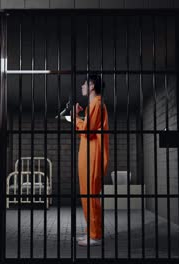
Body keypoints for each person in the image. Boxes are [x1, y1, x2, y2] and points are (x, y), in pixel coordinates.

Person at [74, 75, 109, 247]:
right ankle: (92, 231)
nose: (82, 86)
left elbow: (88, 131)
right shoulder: (93, 106)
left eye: (84, 83)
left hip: (92, 155)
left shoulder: (96, 103)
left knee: (90, 194)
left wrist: (75, 118)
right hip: (89, 155)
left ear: (92, 85)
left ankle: (95, 235)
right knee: (87, 194)